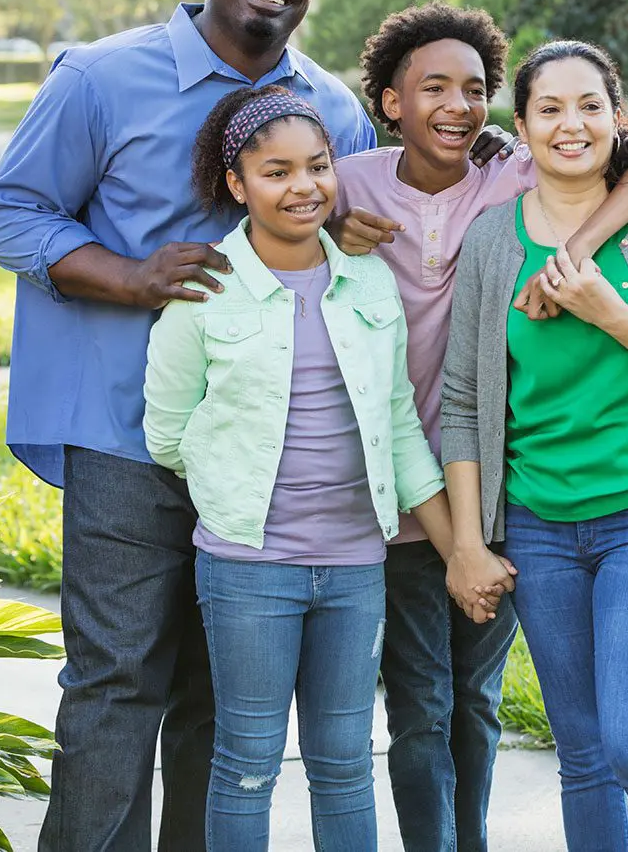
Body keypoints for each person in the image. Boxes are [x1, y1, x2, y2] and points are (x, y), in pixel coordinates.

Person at [0, 0, 382, 852]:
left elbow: (374, 227)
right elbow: (13, 210)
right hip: (121, 430)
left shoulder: (335, 111)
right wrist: (130, 275)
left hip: (264, 452)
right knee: (118, 682)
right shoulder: (100, 78)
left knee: (222, 698)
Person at [333, 4, 628, 852]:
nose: (459, 105)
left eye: (476, 90)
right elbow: (274, 206)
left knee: (482, 700)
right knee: (420, 702)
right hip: (394, 479)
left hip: (493, 490)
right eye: (434, 88)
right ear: (389, 101)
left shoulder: (509, 180)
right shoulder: (350, 181)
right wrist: (327, 225)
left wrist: (577, 262)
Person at [144, 87, 474, 851]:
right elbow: (165, 433)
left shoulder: (367, 280)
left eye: (319, 167)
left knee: (344, 763)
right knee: (249, 762)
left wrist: (458, 547)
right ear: (238, 184)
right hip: (249, 565)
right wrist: (237, 482)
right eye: (277, 172)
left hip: (356, 563)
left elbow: (399, 427)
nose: (303, 187)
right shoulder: (206, 290)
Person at [439, 40, 628, 851]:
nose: (570, 125)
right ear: (522, 127)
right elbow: (466, 402)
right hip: (541, 529)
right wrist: (467, 543)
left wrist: (608, 311)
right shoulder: (491, 244)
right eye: (550, 108)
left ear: (616, 119)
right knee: (582, 755)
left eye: (589, 107)